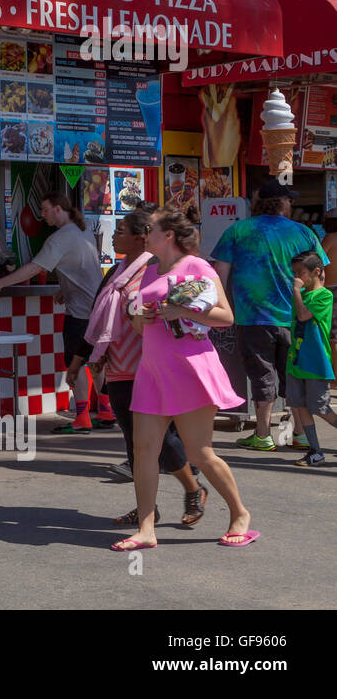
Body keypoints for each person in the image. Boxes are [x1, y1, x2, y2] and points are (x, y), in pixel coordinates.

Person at [111, 206, 255, 551]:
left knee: (200, 452)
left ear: (169, 236)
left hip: (190, 369)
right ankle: (146, 529)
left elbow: (225, 317)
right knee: (143, 450)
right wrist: (139, 316)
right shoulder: (148, 272)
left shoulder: (197, 266)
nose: (145, 234)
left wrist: (183, 310)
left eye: (151, 229)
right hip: (153, 370)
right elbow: (139, 326)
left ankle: (240, 514)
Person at [84, 206, 207, 526]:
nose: (114, 235)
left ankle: (193, 489)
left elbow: (180, 310)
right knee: (134, 444)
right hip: (119, 365)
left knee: (161, 440)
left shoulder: (155, 268)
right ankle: (146, 508)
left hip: (149, 364)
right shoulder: (117, 270)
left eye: (120, 230)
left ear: (141, 237)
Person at [212, 178, 328, 452]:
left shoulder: (237, 231)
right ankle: (299, 433)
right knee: (293, 376)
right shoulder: (304, 233)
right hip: (295, 318)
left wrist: (222, 309)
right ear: (280, 203)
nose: (291, 204)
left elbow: (220, 275)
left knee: (261, 376)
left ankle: (263, 434)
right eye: (289, 199)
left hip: (253, 317)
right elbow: (319, 274)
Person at [0, 193, 109, 433]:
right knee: (96, 360)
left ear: (59, 209)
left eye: (45, 209)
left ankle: (82, 418)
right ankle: (106, 411)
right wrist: (65, 288)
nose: (41, 215)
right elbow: (80, 268)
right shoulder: (81, 232)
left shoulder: (59, 238)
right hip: (96, 307)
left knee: (78, 361)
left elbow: (35, 268)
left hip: (81, 312)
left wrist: (0, 284)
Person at [286, 250, 336, 467]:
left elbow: (304, 315)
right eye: (294, 273)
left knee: (320, 407)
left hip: (316, 363)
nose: (297, 277)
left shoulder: (324, 295)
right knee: (299, 406)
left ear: (317, 272)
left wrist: (297, 292)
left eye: (301, 273)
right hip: (296, 361)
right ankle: (315, 451)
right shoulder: (300, 294)